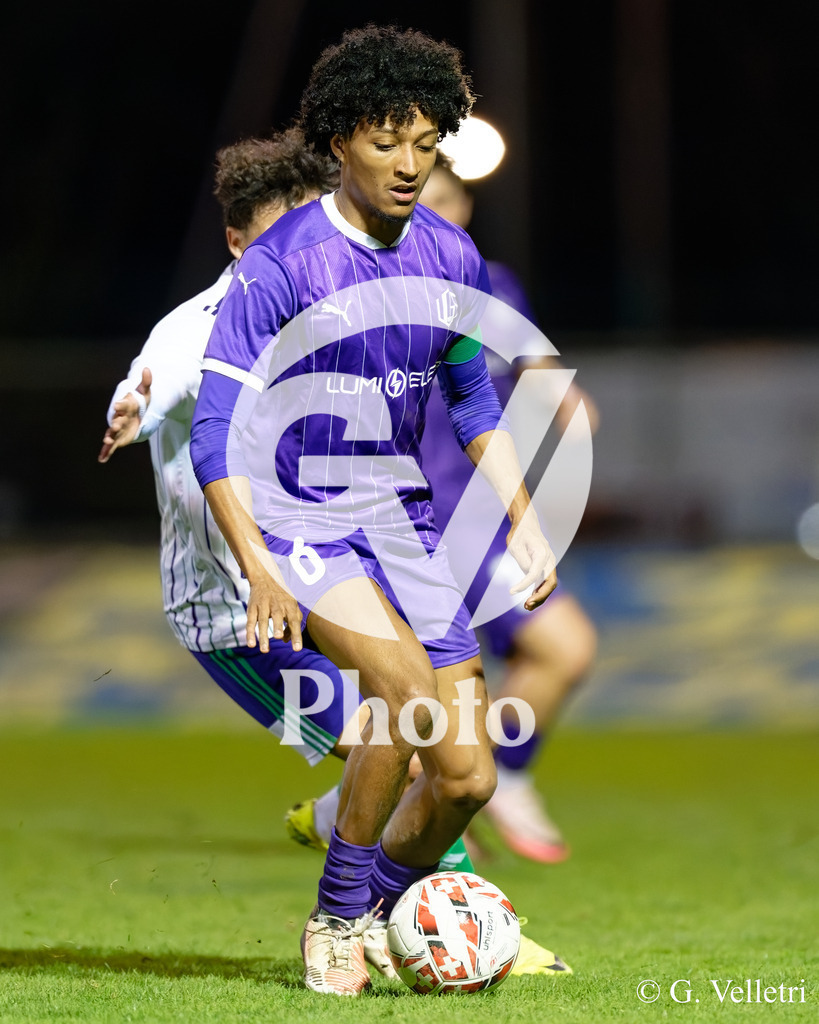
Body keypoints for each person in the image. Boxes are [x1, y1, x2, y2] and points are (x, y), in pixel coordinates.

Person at [100, 126, 569, 984]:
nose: (410, 163)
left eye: (424, 142)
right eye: (391, 141)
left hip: (392, 536)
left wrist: (522, 514)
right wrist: (129, 408)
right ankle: (344, 920)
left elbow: (468, 394)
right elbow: (173, 395)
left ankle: (388, 907)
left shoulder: (422, 262)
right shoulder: (220, 311)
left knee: (464, 777)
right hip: (251, 582)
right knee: (395, 709)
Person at [419, 154, 599, 863]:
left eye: (444, 199)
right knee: (415, 703)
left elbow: (534, 368)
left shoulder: (494, 286)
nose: (433, 212)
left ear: (463, 208)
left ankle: (500, 778)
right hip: (408, 524)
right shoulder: (378, 292)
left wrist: (563, 398)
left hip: (483, 520)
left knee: (566, 649)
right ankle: (437, 815)